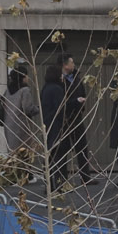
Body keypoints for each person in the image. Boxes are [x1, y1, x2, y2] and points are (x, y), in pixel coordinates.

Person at [41, 54, 92, 186]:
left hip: (74, 117)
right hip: (62, 120)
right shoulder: (57, 85)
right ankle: (60, 181)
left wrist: (80, 105)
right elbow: (60, 105)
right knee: (60, 151)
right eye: (72, 62)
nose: (74, 65)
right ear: (64, 65)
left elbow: (81, 92)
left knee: (80, 145)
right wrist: (75, 102)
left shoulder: (75, 77)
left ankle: (84, 176)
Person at [0, 67, 45, 160]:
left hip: (9, 126)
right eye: (26, 76)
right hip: (22, 127)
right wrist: (39, 108)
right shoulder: (25, 90)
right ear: (22, 77)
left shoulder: (8, 91)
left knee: (14, 155)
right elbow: (28, 108)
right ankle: (27, 174)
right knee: (25, 154)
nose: (27, 78)